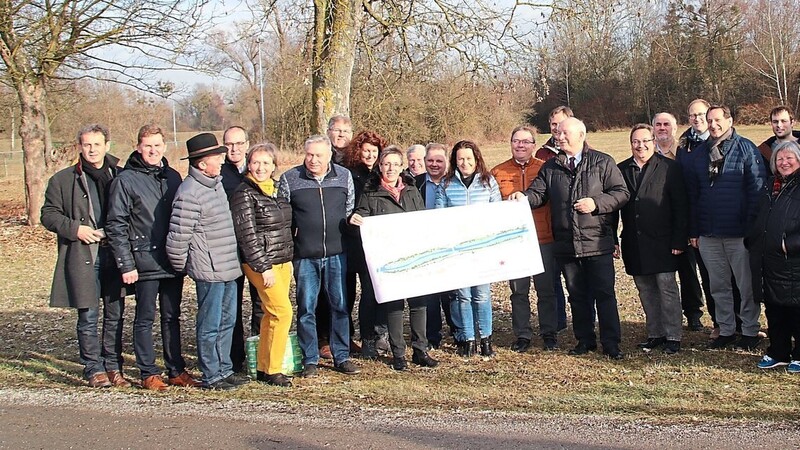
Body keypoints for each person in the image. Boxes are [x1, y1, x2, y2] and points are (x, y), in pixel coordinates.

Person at [511, 117, 629, 360]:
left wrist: (596, 204)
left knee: (604, 294)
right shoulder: (551, 167)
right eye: (558, 133)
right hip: (566, 244)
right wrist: (523, 198)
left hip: (597, 242)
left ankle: (611, 343)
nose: (559, 136)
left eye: (565, 133)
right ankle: (585, 340)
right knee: (576, 294)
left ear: (581, 135)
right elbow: (538, 193)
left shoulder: (602, 162)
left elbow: (621, 193)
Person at [106, 124, 201, 390]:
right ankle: (148, 371)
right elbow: (116, 224)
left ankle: (176, 370)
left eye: (158, 145)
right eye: (148, 146)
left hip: (172, 259)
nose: (153, 150)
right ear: (138, 147)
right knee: (145, 318)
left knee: (172, 316)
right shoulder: (125, 180)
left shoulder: (172, 176)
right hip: (143, 261)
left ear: (165, 146)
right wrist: (126, 263)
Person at [41, 124, 130, 388]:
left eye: (97, 144)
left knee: (115, 313)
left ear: (107, 146)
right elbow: (48, 214)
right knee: (88, 314)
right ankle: (93, 368)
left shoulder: (121, 176)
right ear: (80, 146)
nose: (92, 150)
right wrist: (75, 229)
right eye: (87, 145)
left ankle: (114, 366)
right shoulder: (63, 179)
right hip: (83, 255)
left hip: (115, 255)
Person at [684, 104, 766, 350]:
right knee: (718, 286)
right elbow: (693, 195)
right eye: (709, 120)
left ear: (730, 121)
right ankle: (726, 329)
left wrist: (751, 228)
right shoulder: (700, 154)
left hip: (738, 233)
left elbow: (757, 190)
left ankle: (750, 330)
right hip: (709, 233)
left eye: (718, 120)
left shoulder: (746, 149)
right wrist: (694, 230)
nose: (713, 124)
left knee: (746, 285)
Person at [349, 148, 439, 370]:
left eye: (395, 164)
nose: (390, 168)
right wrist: (355, 220)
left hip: (413, 256)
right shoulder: (370, 194)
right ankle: (398, 353)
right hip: (387, 261)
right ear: (380, 167)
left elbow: (423, 220)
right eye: (386, 164)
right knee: (394, 306)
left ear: (401, 167)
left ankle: (420, 350)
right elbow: (361, 222)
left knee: (419, 304)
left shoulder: (411, 191)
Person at [277, 134, 360, 376]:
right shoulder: (290, 178)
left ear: (329, 156)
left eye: (318, 155)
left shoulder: (344, 176)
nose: (313, 160)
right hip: (305, 256)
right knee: (306, 308)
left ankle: (341, 356)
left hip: (337, 254)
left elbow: (348, 210)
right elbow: (283, 217)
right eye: (309, 154)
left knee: (341, 307)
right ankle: (310, 358)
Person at [616, 124, 688, 354]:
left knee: (667, 289)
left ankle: (673, 336)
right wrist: (612, 239)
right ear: (630, 144)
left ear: (654, 141)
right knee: (645, 290)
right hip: (634, 243)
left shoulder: (669, 168)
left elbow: (680, 207)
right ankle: (655, 333)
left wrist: (679, 240)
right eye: (636, 142)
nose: (641, 146)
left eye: (646, 141)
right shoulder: (621, 170)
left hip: (663, 242)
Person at [490, 125, 559, 351]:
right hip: (514, 243)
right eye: (516, 141)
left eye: (526, 142)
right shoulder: (498, 173)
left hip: (543, 238)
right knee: (519, 291)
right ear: (511, 144)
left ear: (534, 145)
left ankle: (549, 333)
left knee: (546, 289)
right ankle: (522, 334)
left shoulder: (546, 169)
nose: (520, 145)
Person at [231, 143, 294, 387]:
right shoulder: (244, 193)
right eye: (256, 162)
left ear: (274, 166)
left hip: (282, 260)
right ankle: (274, 370)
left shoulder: (276, 189)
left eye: (266, 163)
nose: (260, 167)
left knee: (271, 315)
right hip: (261, 263)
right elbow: (246, 234)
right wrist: (262, 266)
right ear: (249, 164)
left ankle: (263, 366)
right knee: (282, 311)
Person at [435, 140, 502, 357]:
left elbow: (497, 213)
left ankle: (486, 338)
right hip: (457, 250)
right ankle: (468, 338)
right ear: (455, 161)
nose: (465, 163)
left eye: (469, 159)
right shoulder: (445, 185)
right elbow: (439, 216)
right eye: (460, 159)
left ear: (477, 160)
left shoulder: (488, 182)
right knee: (462, 296)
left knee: (481, 295)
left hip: (481, 249)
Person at [749, 141, 800, 373]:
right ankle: (778, 351)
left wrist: (788, 245)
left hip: (793, 261)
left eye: (789, 158)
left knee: (795, 309)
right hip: (768, 259)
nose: (784, 162)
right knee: (774, 308)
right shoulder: (771, 185)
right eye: (779, 159)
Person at [342, 130, 388, 358]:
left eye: (374, 151)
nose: (370, 155)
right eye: (366, 151)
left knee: (376, 290)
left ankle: (380, 334)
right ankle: (364, 337)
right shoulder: (350, 175)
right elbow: (347, 205)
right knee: (362, 294)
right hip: (355, 243)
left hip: (379, 242)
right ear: (358, 152)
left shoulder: (384, 173)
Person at [675, 99, 719, 334]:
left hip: (718, 217)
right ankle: (712, 321)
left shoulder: (720, 140)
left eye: (701, 114)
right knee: (701, 275)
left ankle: (731, 322)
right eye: (692, 115)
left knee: (720, 277)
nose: (697, 118)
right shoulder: (684, 144)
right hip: (694, 218)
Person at [220, 125, 261, 374]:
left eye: (238, 143)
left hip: (256, 248)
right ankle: (234, 358)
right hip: (229, 248)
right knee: (231, 306)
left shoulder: (257, 169)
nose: (233, 149)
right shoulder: (218, 173)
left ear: (246, 144)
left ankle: (259, 354)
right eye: (229, 144)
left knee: (260, 303)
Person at [533, 106, 572, 331]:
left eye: (561, 124)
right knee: (552, 278)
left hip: (571, 226)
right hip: (548, 226)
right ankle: (557, 321)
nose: (557, 129)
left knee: (575, 278)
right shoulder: (542, 154)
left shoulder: (584, 150)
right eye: (553, 125)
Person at [415, 142, 455, 348]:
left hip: (450, 245)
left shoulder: (454, 183)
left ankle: (457, 330)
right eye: (430, 160)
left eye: (439, 160)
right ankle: (432, 337)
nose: (434, 164)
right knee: (429, 295)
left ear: (446, 162)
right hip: (425, 245)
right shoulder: (415, 183)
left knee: (452, 293)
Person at [757, 106, 800, 174]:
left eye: (783, 121)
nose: (779, 125)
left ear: (792, 123)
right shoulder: (763, 151)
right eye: (775, 122)